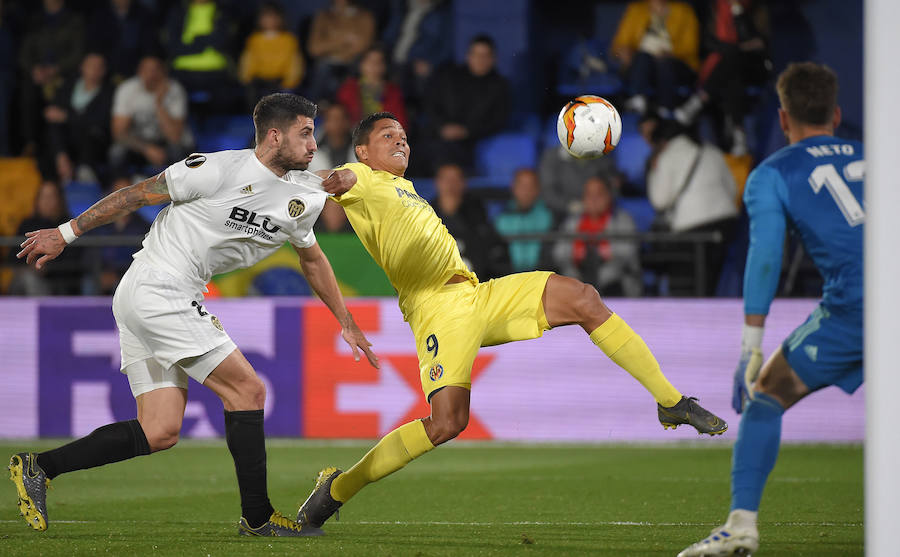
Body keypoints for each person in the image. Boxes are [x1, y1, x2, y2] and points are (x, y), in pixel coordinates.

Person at [295, 111, 727, 531]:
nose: (401, 140)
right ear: (362, 151)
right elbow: (336, 180)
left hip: (476, 293)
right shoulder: (362, 178)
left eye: (403, 134)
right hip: (438, 310)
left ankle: (671, 401)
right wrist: (308, 177)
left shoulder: (404, 188)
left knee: (583, 298)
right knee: (448, 422)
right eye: (388, 136)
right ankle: (337, 489)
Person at [10, 93, 377, 537]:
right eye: (305, 133)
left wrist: (347, 321)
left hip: (158, 295)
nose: (314, 143)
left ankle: (39, 467)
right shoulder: (217, 168)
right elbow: (136, 194)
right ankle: (258, 518)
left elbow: (313, 259)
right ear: (275, 135)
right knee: (247, 390)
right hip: (157, 287)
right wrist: (65, 233)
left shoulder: (304, 195)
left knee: (159, 429)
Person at [678, 63, 863, 556]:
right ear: (838, 114)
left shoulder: (774, 173)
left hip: (856, 309)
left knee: (766, 393)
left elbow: (764, 257)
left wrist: (751, 349)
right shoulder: (879, 159)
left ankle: (740, 527)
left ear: (783, 119)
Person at [643, 115, 738, 295]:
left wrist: (653, 171)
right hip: (726, 226)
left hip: (691, 232)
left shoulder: (667, 156)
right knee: (714, 286)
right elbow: (732, 189)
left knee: (688, 290)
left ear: (662, 141)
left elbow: (659, 201)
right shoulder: (712, 151)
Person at [673, 0, 771, 155]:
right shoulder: (710, 7)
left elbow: (760, 42)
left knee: (731, 60)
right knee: (732, 72)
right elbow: (708, 43)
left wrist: (739, 15)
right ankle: (738, 133)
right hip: (723, 66)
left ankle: (701, 98)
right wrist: (738, 47)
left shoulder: (756, 8)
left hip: (753, 66)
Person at [421, 34, 509, 173]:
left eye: (485, 55)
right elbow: (432, 105)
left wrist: (467, 132)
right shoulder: (449, 77)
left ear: (493, 59)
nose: (480, 60)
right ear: (468, 56)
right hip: (440, 134)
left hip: (475, 140)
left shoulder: (501, 86)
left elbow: (498, 120)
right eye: (476, 54)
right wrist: (442, 127)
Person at [553, 176, 642, 297]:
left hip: (613, 283)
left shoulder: (622, 220)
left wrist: (605, 252)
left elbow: (629, 253)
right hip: (578, 277)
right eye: (589, 195)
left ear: (608, 197)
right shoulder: (572, 221)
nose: (593, 199)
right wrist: (576, 254)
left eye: (599, 194)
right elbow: (559, 252)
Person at [611, 0, 699, 115]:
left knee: (664, 63)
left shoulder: (683, 11)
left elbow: (690, 46)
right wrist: (623, 51)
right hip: (643, 62)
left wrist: (670, 54)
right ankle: (638, 97)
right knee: (643, 57)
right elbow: (620, 43)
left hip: (674, 61)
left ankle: (665, 107)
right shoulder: (636, 10)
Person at [109, 55, 193, 170]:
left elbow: (174, 136)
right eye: (147, 70)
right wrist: (146, 149)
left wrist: (159, 104)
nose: (151, 75)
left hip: (167, 142)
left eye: (156, 70)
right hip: (139, 143)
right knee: (117, 152)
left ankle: (176, 187)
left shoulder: (175, 90)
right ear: (139, 72)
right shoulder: (127, 89)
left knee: (178, 152)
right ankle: (123, 185)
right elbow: (119, 133)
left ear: (164, 73)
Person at [44, 52, 114, 183]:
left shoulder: (109, 93)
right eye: (90, 66)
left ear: (104, 71)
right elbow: (53, 114)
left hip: (92, 145)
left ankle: (84, 174)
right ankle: (58, 168)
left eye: (99, 67)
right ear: (82, 67)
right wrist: (61, 154)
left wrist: (67, 117)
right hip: (65, 142)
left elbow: (102, 122)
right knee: (54, 131)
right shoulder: (68, 86)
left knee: (91, 133)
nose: (94, 71)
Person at [432, 163, 509, 279]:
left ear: (463, 184)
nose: (451, 185)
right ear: (437, 183)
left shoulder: (479, 218)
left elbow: (496, 258)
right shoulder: (425, 216)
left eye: (455, 179)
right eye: (446, 179)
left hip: (477, 289)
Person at [7, 180, 82, 296]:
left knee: (30, 280)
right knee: (25, 279)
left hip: (59, 282)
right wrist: (28, 267)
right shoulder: (26, 225)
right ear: (37, 201)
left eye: (51, 197)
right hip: (25, 277)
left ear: (59, 200)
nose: (47, 201)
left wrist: (47, 268)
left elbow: (75, 261)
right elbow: (13, 257)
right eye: (43, 197)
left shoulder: (68, 225)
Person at [305, 0, 376, 103]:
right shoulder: (323, 16)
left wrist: (331, 41)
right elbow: (314, 48)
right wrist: (344, 40)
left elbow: (362, 46)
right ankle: (314, 110)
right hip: (327, 64)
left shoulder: (365, 17)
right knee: (322, 69)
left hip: (353, 63)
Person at [238, 1, 304, 106]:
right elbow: (249, 60)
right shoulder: (254, 40)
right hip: (259, 80)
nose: (270, 21)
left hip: (280, 80)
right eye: (266, 17)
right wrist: (246, 77)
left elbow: (294, 63)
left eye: (273, 17)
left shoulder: (289, 40)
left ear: (280, 19)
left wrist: (290, 82)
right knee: (252, 96)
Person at [494, 168, 555, 273]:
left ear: (538, 190)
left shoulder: (550, 218)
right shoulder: (500, 219)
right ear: (513, 188)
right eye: (522, 186)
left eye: (531, 186)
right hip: (508, 278)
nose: (526, 191)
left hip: (541, 277)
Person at [336, 46, 408, 128]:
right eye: (369, 61)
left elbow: (400, 124)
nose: (373, 66)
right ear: (361, 64)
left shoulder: (393, 92)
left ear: (385, 67)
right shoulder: (349, 88)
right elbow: (339, 118)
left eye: (378, 62)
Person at [307, 103, 356, 173]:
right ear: (325, 123)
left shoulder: (361, 149)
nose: (337, 123)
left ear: (348, 122)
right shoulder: (312, 151)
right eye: (332, 119)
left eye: (340, 119)